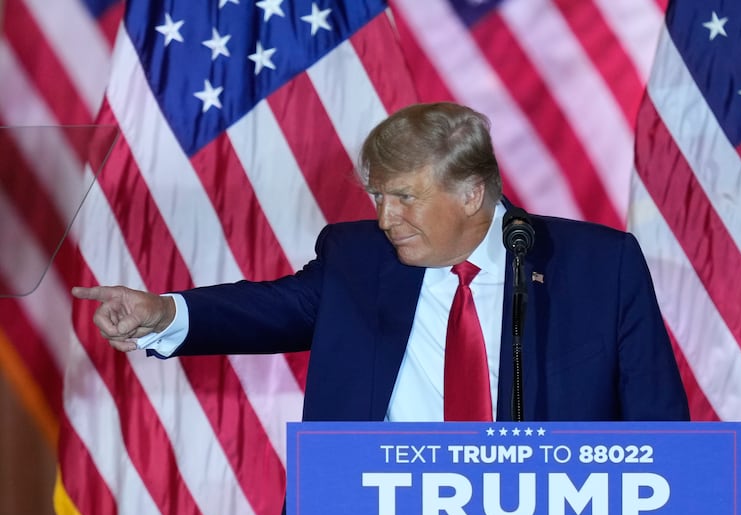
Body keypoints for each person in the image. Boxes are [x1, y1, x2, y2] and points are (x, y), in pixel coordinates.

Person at [73, 102, 689, 424]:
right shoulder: (357, 259)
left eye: (405, 197)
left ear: (472, 193)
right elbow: (267, 310)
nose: (386, 217)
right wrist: (162, 313)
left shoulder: (598, 267)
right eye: (377, 196)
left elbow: (659, 423)